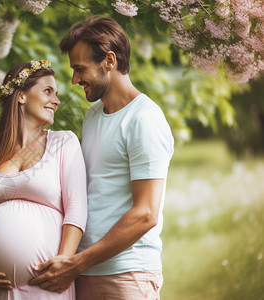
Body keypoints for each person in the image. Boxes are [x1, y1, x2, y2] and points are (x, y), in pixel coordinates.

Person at [28, 16, 174, 299]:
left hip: (126, 275)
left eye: (80, 69)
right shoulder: (93, 115)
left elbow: (145, 214)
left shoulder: (144, 119)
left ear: (109, 60)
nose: (74, 80)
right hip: (86, 272)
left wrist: (76, 263)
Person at [0, 60, 87, 299]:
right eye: (48, 91)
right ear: (21, 96)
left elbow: (77, 209)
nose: (57, 101)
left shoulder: (64, 142)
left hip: (48, 285)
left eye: (57, 94)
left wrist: (64, 263)